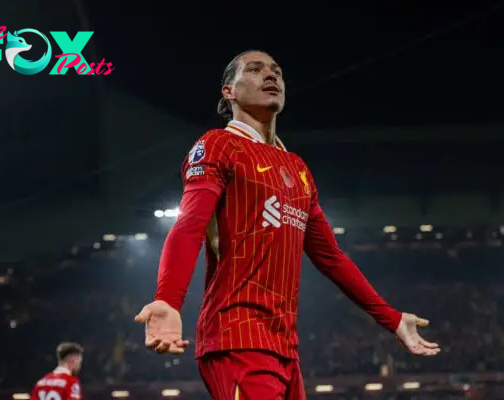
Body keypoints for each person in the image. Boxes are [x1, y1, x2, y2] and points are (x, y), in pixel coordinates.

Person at [135, 50, 440, 399]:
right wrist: (168, 299)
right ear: (228, 92)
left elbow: (331, 258)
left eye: (277, 71)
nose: (271, 76)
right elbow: (189, 226)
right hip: (238, 335)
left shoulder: (297, 168)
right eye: (255, 69)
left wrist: (392, 318)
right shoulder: (218, 145)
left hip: (284, 345)